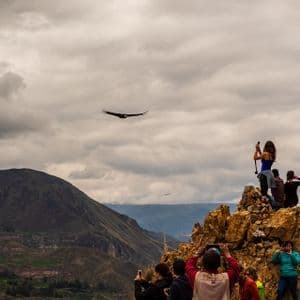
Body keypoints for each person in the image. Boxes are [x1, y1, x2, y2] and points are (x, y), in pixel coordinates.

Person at [253, 141, 276, 208]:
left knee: (263, 193)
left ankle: (272, 205)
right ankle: (272, 204)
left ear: (266, 147)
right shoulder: (272, 155)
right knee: (265, 192)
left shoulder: (265, 154)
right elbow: (263, 158)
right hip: (269, 174)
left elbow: (255, 158)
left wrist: (256, 150)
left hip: (264, 174)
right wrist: (259, 149)